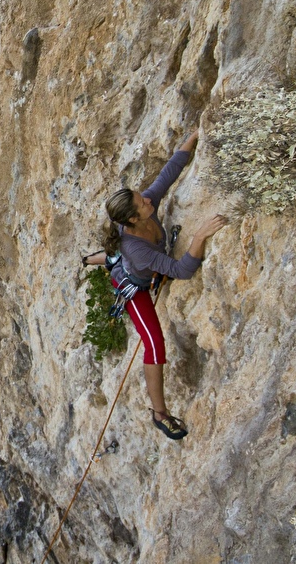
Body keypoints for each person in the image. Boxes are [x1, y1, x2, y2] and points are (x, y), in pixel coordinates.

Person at [83, 128, 227, 440]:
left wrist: (192, 139)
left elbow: (168, 174)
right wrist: (200, 236)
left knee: (115, 257)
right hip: (132, 287)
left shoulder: (143, 208)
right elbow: (182, 269)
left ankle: (93, 258)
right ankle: (159, 413)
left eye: (143, 197)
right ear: (132, 219)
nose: (148, 199)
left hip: (135, 262)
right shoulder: (137, 247)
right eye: (143, 203)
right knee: (154, 343)